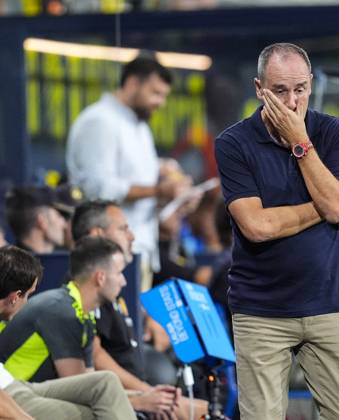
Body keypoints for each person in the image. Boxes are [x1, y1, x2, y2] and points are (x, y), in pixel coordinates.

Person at [214, 42, 339, 419]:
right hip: (260, 310)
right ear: (259, 88)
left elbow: (336, 206)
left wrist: (300, 142)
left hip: (329, 303)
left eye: (300, 89)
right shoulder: (234, 143)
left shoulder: (335, 133)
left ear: (311, 84)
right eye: (280, 91)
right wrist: (331, 208)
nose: (292, 100)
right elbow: (257, 226)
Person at [71, 200, 208, 420]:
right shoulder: (87, 285)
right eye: (123, 229)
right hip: (122, 401)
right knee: (209, 413)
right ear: (97, 234)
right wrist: (147, 393)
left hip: (141, 392)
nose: (132, 236)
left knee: (213, 407)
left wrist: (148, 319)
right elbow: (94, 356)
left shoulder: (114, 283)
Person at [66, 55, 190, 285]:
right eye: (155, 93)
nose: (160, 102)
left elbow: (142, 182)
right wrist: (159, 190)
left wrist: (173, 189)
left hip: (138, 249)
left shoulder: (139, 126)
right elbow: (99, 190)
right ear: (132, 83)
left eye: (163, 95)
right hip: (106, 258)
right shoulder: (100, 121)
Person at [0, 244, 136, 419]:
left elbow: (86, 375)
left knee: (106, 382)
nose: (27, 303)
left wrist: (140, 396)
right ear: (14, 297)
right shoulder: (59, 311)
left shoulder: (81, 313)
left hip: (19, 386)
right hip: (11, 395)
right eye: (27, 295)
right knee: (91, 415)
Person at [5, 185, 68, 254]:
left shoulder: (9, 262)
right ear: (42, 221)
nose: (64, 224)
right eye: (58, 216)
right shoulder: (64, 262)